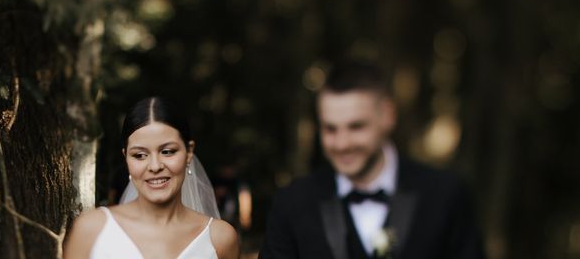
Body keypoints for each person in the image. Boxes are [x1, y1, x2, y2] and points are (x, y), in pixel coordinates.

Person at [260, 59, 484, 259]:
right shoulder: (292, 203)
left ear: (387, 116)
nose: (342, 144)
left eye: (356, 127)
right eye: (330, 129)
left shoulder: (444, 195)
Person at [63, 96, 240, 259]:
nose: (155, 166)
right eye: (140, 155)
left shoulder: (220, 238)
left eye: (167, 151)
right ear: (126, 157)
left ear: (189, 152)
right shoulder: (91, 230)